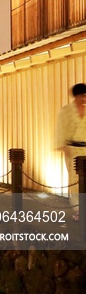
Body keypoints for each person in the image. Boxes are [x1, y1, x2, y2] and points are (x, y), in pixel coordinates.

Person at [55, 83, 86, 221]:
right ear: (76, 96)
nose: (84, 98)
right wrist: (64, 147)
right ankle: (78, 209)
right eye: (81, 95)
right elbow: (60, 131)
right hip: (73, 151)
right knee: (75, 180)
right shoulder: (66, 111)